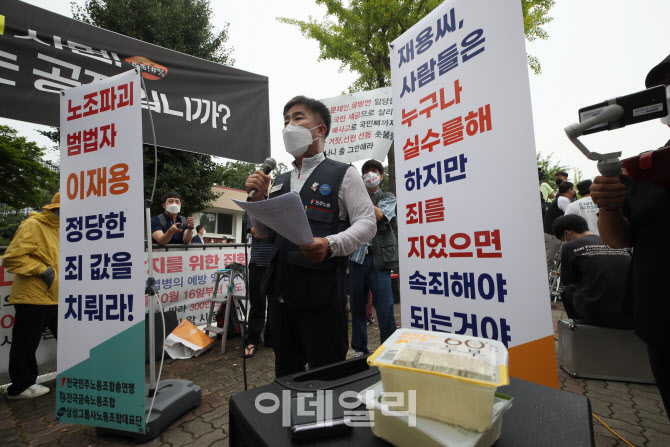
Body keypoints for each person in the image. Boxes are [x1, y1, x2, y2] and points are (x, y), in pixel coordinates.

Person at [245, 95, 376, 377]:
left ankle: (330, 421)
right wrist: (257, 200)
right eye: (285, 121)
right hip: (281, 300)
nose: (289, 126)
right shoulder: (278, 181)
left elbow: (367, 223)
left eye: (298, 117)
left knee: (326, 375)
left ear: (320, 129)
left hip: (322, 301)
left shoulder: (344, 174)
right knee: (286, 373)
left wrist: (330, 244)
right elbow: (264, 232)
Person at [590, 53, 670, 417]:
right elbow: (620, 239)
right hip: (662, 320)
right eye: (665, 86)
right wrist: (608, 204)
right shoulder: (647, 167)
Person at [2, 193, 60, 399]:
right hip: (33, 297)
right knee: (26, 342)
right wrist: (42, 270)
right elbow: (12, 258)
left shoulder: (60, 228)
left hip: (56, 296)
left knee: (71, 338)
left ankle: (78, 375)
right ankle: (19, 388)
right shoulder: (33, 225)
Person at [348, 159, 398, 356]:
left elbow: (380, 216)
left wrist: (359, 197)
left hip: (379, 260)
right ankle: (359, 349)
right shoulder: (353, 199)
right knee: (357, 307)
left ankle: (388, 350)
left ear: (381, 176)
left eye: (374, 172)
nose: (370, 176)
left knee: (384, 307)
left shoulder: (388, 197)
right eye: (366, 172)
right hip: (357, 259)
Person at [552, 215, 632, 328]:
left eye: (563, 239)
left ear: (567, 233)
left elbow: (572, 283)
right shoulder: (611, 241)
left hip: (600, 314)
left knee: (568, 292)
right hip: (631, 311)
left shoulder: (570, 246)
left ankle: (579, 328)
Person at [243, 216, 274, 358]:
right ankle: (252, 341)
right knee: (257, 304)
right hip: (258, 265)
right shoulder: (251, 211)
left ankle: (271, 338)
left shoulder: (274, 208)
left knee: (275, 304)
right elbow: (257, 233)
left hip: (275, 263)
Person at [542, 182, 574, 274]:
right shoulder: (563, 200)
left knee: (551, 258)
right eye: (573, 189)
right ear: (570, 190)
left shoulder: (560, 199)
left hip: (553, 234)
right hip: (552, 235)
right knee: (549, 259)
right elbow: (570, 216)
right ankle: (546, 281)